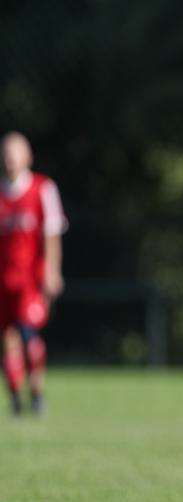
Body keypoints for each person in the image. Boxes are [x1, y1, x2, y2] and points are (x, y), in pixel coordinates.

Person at [0, 132, 67, 416]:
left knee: (30, 335)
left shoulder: (42, 189)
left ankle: (37, 392)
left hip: (30, 278)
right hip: (3, 279)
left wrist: (52, 271)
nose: (10, 157)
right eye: (6, 151)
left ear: (28, 156)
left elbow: (51, 233)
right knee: (8, 338)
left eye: (16, 151)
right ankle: (15, 396)